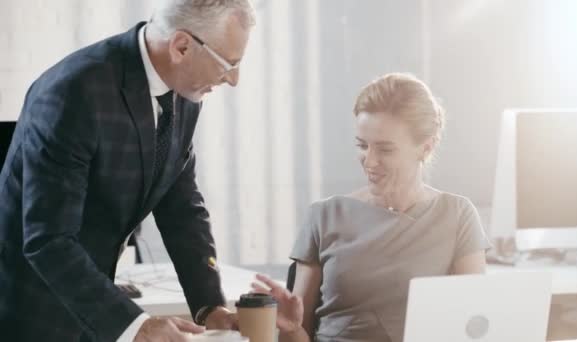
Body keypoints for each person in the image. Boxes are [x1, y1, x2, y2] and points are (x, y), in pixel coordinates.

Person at [0, 1, 255, 341]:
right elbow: (48, 241)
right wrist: (137, 326)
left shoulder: (183, 93)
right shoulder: (75, 91)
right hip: (33, 311)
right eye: (229, 64)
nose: (234, 80)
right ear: (181, 46)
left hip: (94, 302)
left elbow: (181, 206)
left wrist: (209, 307)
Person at [252, 73, 491, 342]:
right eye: (362, 146)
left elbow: (473, 331)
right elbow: (295, 329)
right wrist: (291, 329)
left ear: (426, 147)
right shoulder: (325, 217)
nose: (369, 161)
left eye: (385, 150)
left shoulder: (457, 216)